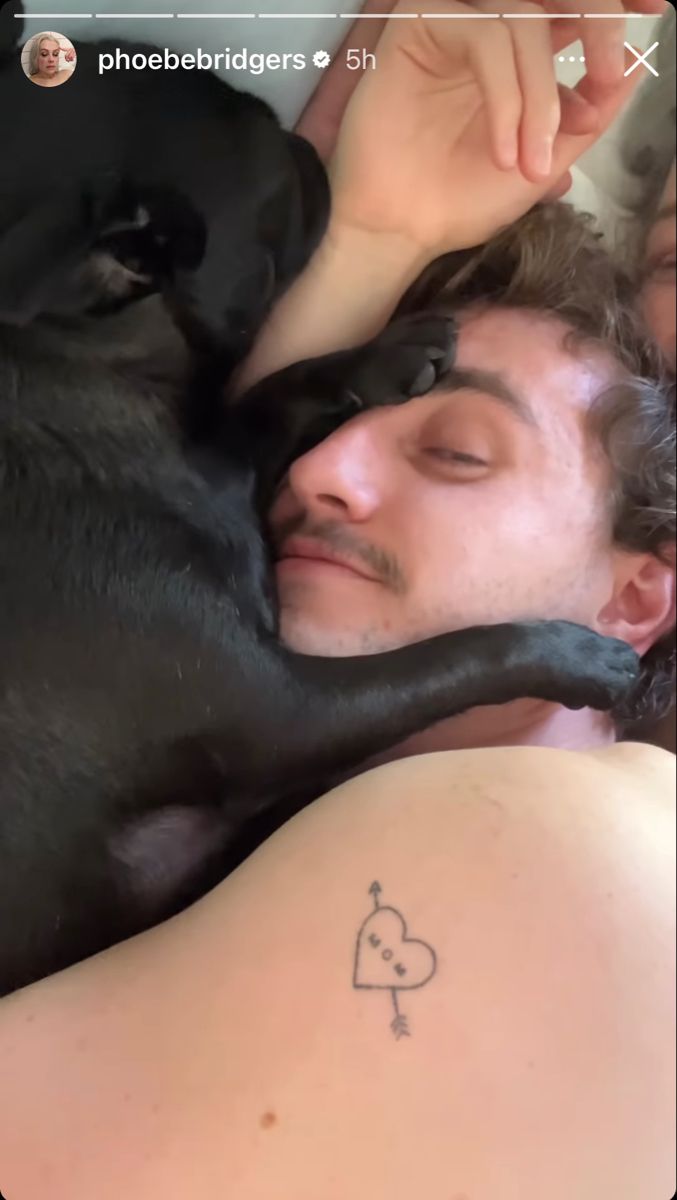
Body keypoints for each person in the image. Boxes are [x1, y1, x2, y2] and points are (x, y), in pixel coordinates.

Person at [0, 6, 674, 1199]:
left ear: (637, 594)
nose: (322, 471)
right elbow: (180, 534)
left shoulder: (565, 848)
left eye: (457, 453)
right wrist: (375, 229)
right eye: (339, 424)